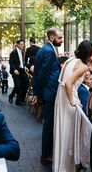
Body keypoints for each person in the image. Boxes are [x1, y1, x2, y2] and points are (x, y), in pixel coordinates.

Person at [53, 40, 92, 172]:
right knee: (70, 134)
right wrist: (73, 101)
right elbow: (68, 83)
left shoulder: (70, 60)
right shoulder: (83, 66)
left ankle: (62, 165)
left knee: (62, 132)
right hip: (69, 98)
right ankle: (67, 166)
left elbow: (63, 81)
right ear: (87, 54)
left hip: (60, 97)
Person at [32, 27, 63, 163]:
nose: (61, 40)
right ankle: (46, 154)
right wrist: (38, 93)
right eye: (60, 38)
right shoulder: (49, 51)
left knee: (48, 123)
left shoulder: (45, 49)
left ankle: (47, 153)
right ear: (52, 38)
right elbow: (43, 74)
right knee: (49, 124)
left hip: (46, 92)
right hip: (49, 93)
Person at [9, 39, 27, 106]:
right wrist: (14, 69)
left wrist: (24, 66)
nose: (23, 45)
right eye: (21, 44)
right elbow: (11, 62)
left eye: (23, 44)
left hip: (21, 70)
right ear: (17, 44)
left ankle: (18, 101)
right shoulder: (13, 52)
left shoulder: (22, 52)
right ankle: (11, 96)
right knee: (17, 85)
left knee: (22, 85)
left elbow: (22, 61)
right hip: (15, 71)